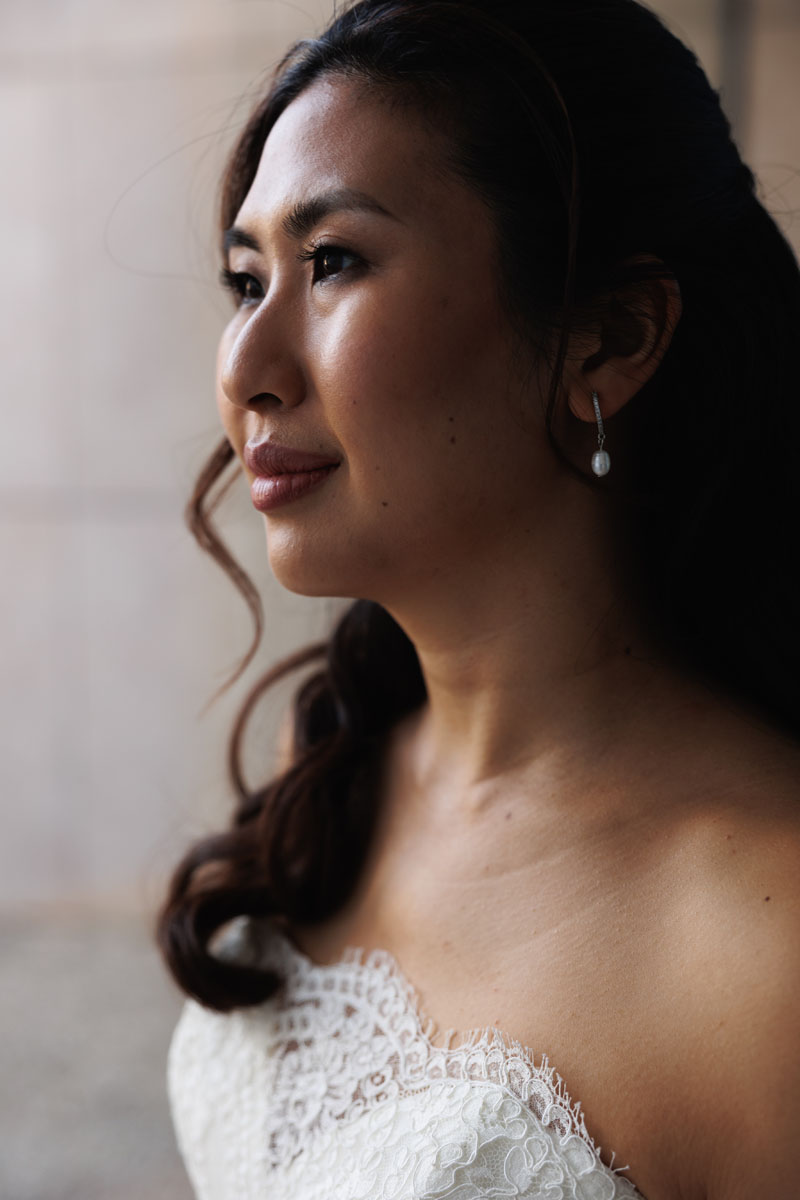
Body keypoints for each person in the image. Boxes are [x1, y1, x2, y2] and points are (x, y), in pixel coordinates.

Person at [156, 1, 800, 1196]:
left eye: (332, 261)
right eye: (247, 281)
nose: (244, 369)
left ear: (607, 337)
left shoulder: (767, 938)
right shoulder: (331, 775)